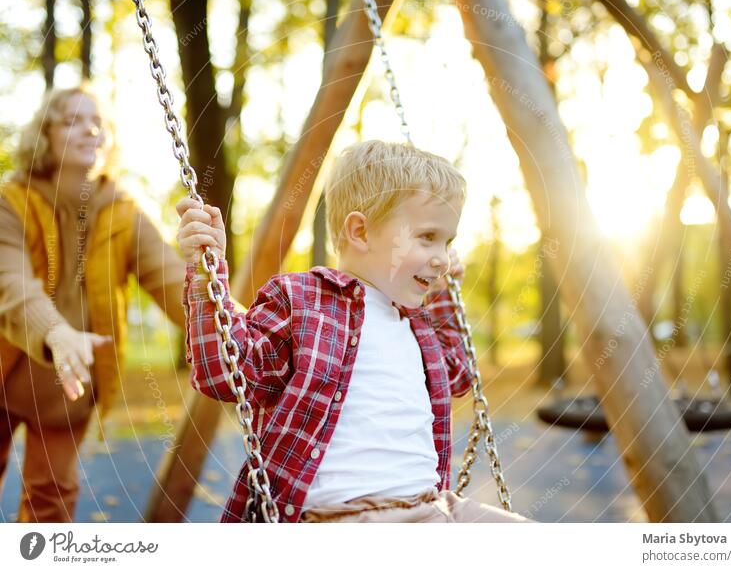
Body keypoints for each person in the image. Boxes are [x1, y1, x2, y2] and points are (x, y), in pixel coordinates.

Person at [177, 140, 533, 523]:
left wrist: (445, 298)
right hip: (345, 516)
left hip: (433, 508)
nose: (443, 259)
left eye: (447, 243)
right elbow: (226, 372)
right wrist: (205, 275)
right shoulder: (303, 301)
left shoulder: (416, 323)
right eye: (428, 237)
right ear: (360, 231)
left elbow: (458, 374)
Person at [0, 84, 186, 522]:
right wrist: (57, 331)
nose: (90, 131)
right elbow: (9, 283)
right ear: (44, 135)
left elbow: (170, 277)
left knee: (52, 501)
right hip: (7, 363)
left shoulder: (123, 211)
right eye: (72, 121)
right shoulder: (10, 202)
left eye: (97, 123)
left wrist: (229, 328)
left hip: (69, 384)